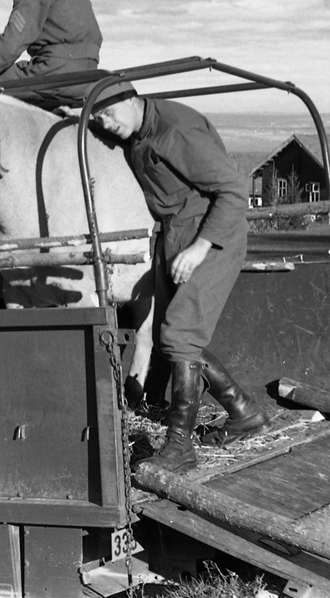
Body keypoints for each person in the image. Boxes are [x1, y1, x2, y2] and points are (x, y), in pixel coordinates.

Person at [88, 81, 269, 473]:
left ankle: (179, 448)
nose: (105, 124)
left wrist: (199, 248)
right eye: (97, 118)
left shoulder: (176, 131)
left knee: (179, 335)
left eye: (108, 113)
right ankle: (244, 413)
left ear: (130, 98)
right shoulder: (136, 131)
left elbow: (234, 191)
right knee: (173, 337)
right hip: (176, 236)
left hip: (211, 237)